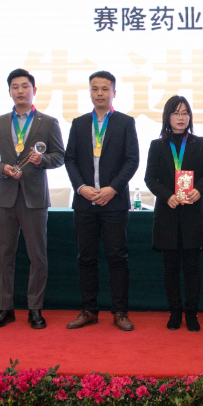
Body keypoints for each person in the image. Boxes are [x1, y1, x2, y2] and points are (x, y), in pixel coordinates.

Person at [0, 68, 65, 330]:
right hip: (5, 196)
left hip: (34, 198)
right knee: (4, 256)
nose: (20, 91)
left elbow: (60, 156)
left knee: (37, 256)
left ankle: (35, 309)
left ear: (34, 90)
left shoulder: (48, 122)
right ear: (9, 91)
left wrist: (42, 160)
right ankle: (5, 308)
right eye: (15, 87)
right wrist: (1, 168)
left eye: (25, 86)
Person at [65, 71, 140, 331]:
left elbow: (132, 160)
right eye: (95, 89)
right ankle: (89, 310)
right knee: (86, 258)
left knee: (117, 258)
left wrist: (113, 189)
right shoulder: (79, 123)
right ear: (89, 92)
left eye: (105, 89)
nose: (99, 93)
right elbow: (70, 159)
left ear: (113, 93)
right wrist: (81, 187)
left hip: (114, 203)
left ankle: (120, 312)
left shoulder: (125, 122)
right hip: (85, 202)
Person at [143, 95, 203, 331]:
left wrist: (198, 190)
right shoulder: (157, 145)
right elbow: (150, 178)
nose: (181, 117)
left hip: (193, 213)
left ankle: (191, 313)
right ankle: (174, 311)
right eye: (176, 113)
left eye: (185, 113)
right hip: (168, 213)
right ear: (167, 117)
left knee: (192, 268)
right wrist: (167, 195)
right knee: (170, 268)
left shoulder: (199, 143)